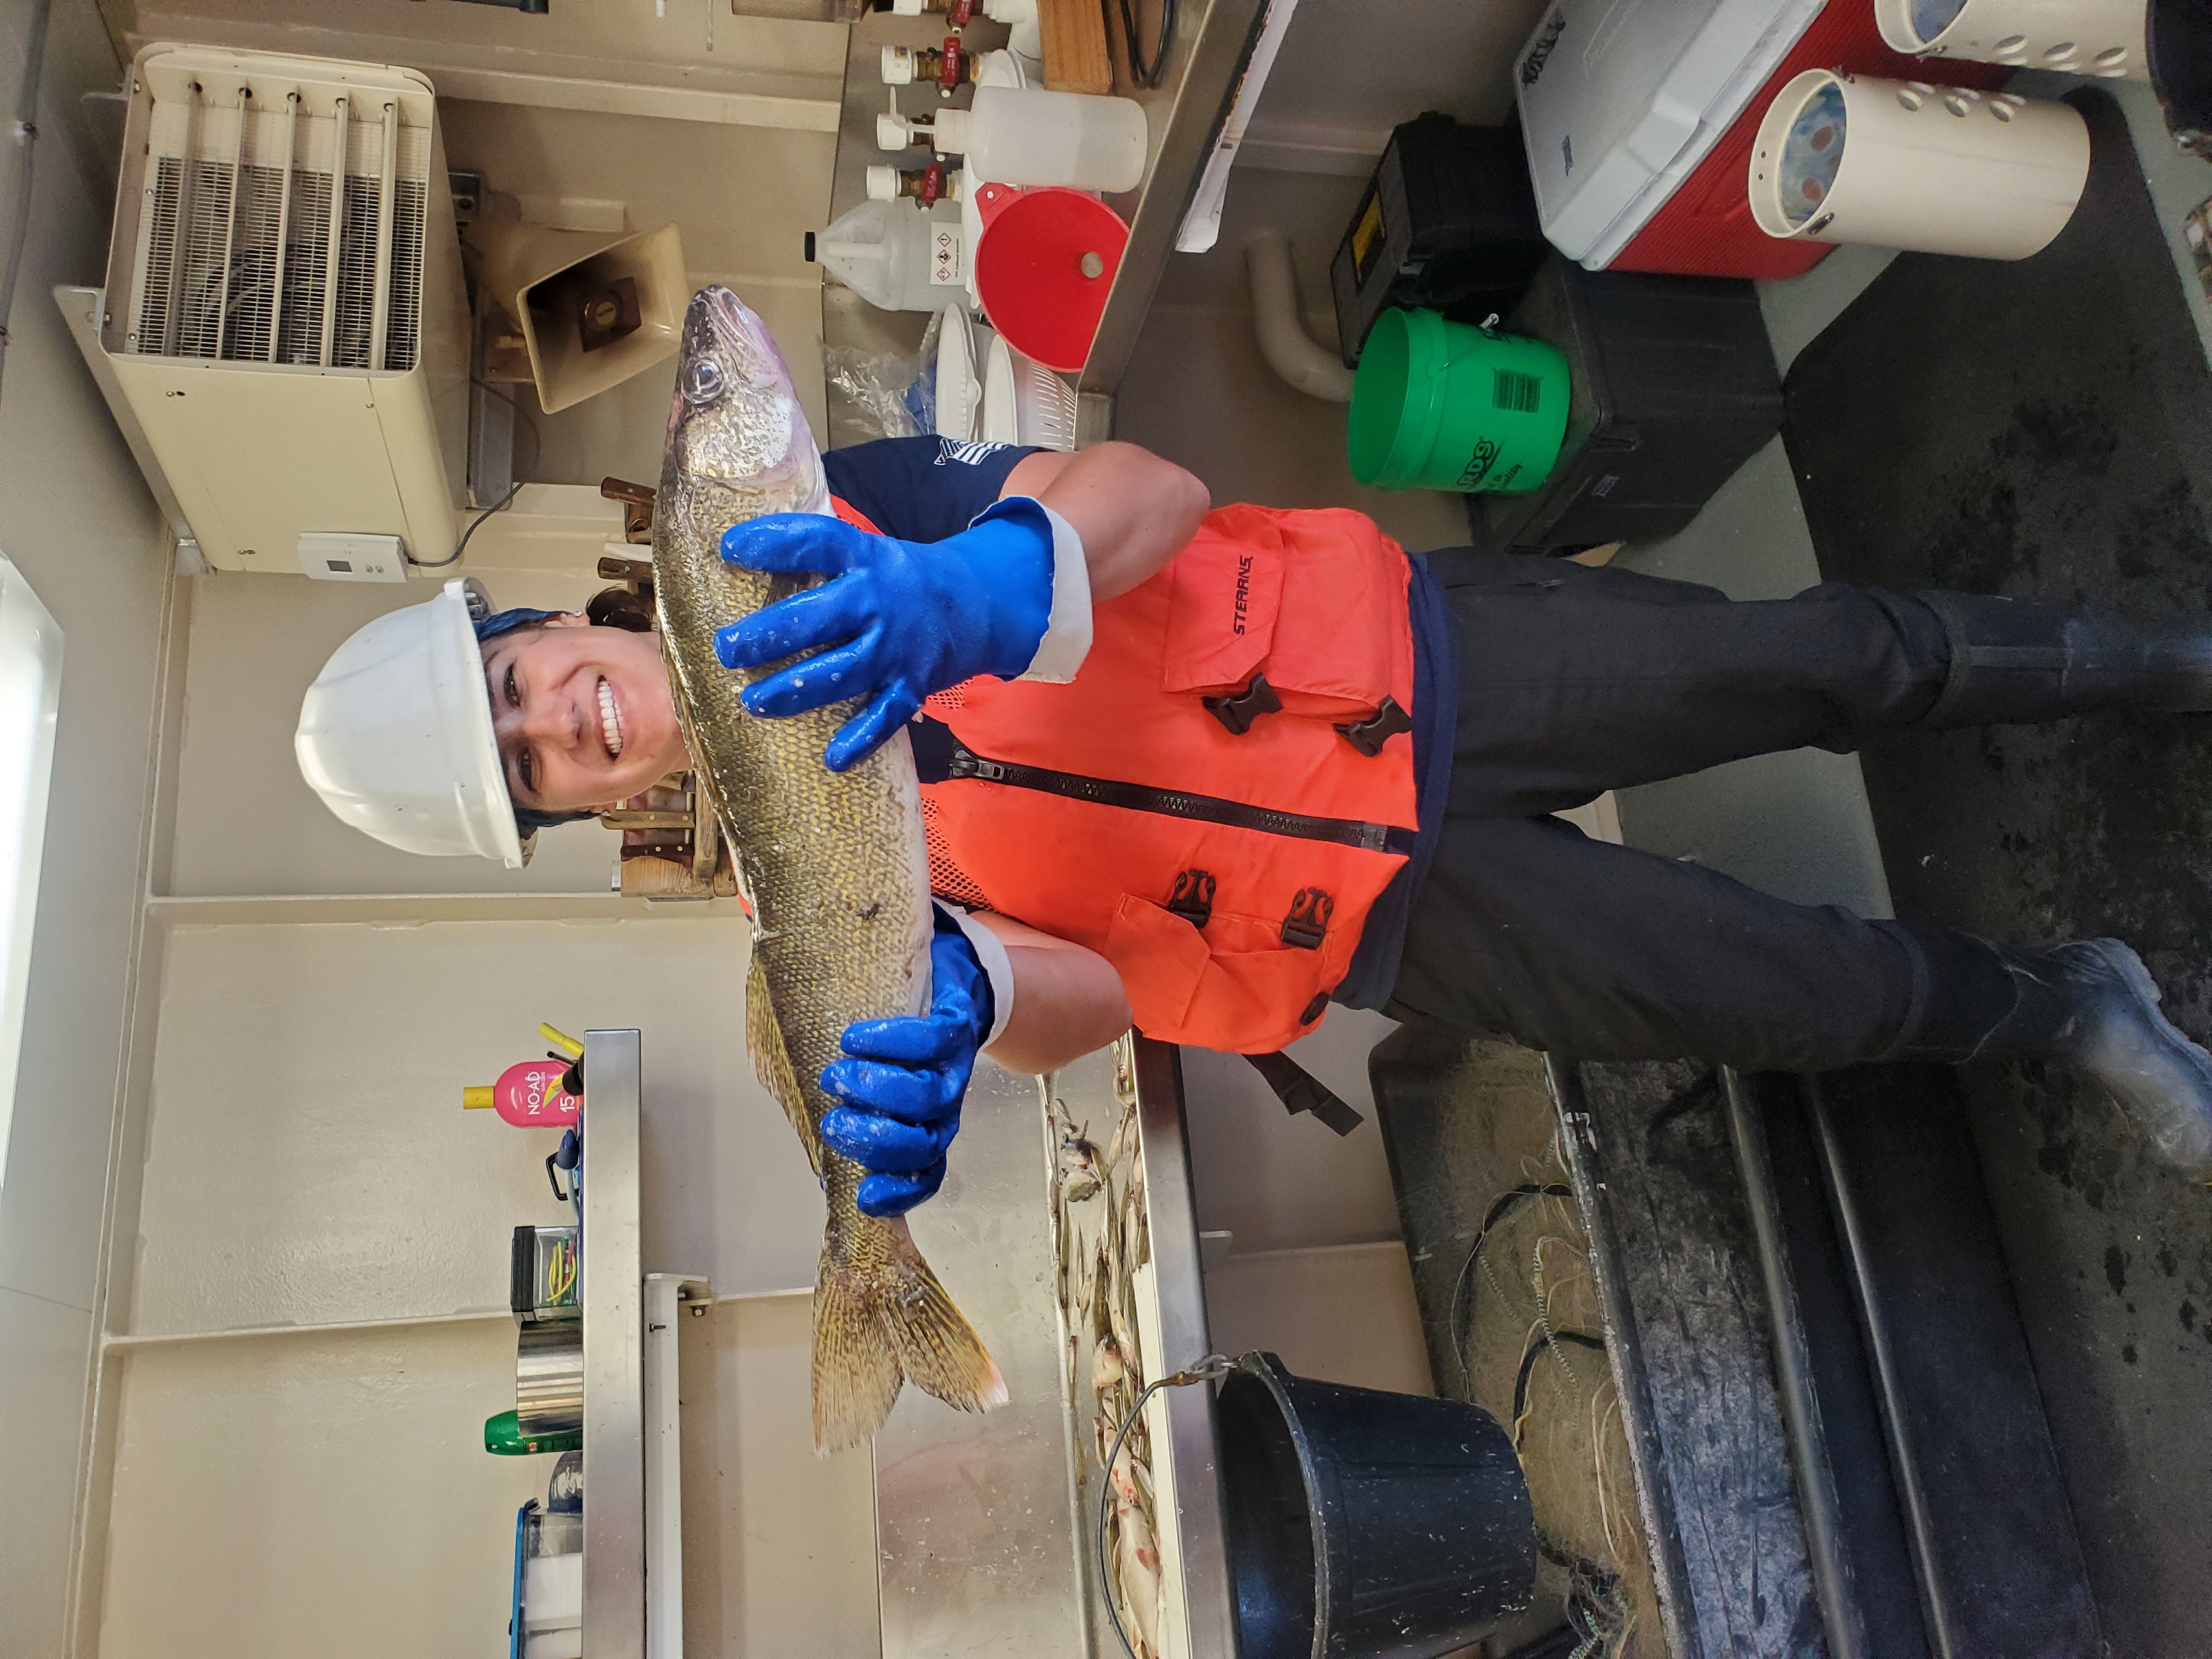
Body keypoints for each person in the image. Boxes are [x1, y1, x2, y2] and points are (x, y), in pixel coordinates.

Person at [297, 433, 2212, 1217]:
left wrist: (985, 572)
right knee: (1787, 993)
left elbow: (1146, 484)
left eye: (523, 680)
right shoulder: (805, 913)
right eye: (536, 764)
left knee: (1828, 659)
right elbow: (1084, 1003)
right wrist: (962, 1013)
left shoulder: (810, 531)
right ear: (577, 811)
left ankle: (2148, 655)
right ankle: (2069, 999)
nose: (568, 722)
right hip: (1378, 928)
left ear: (545, 617)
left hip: (1422, 663)